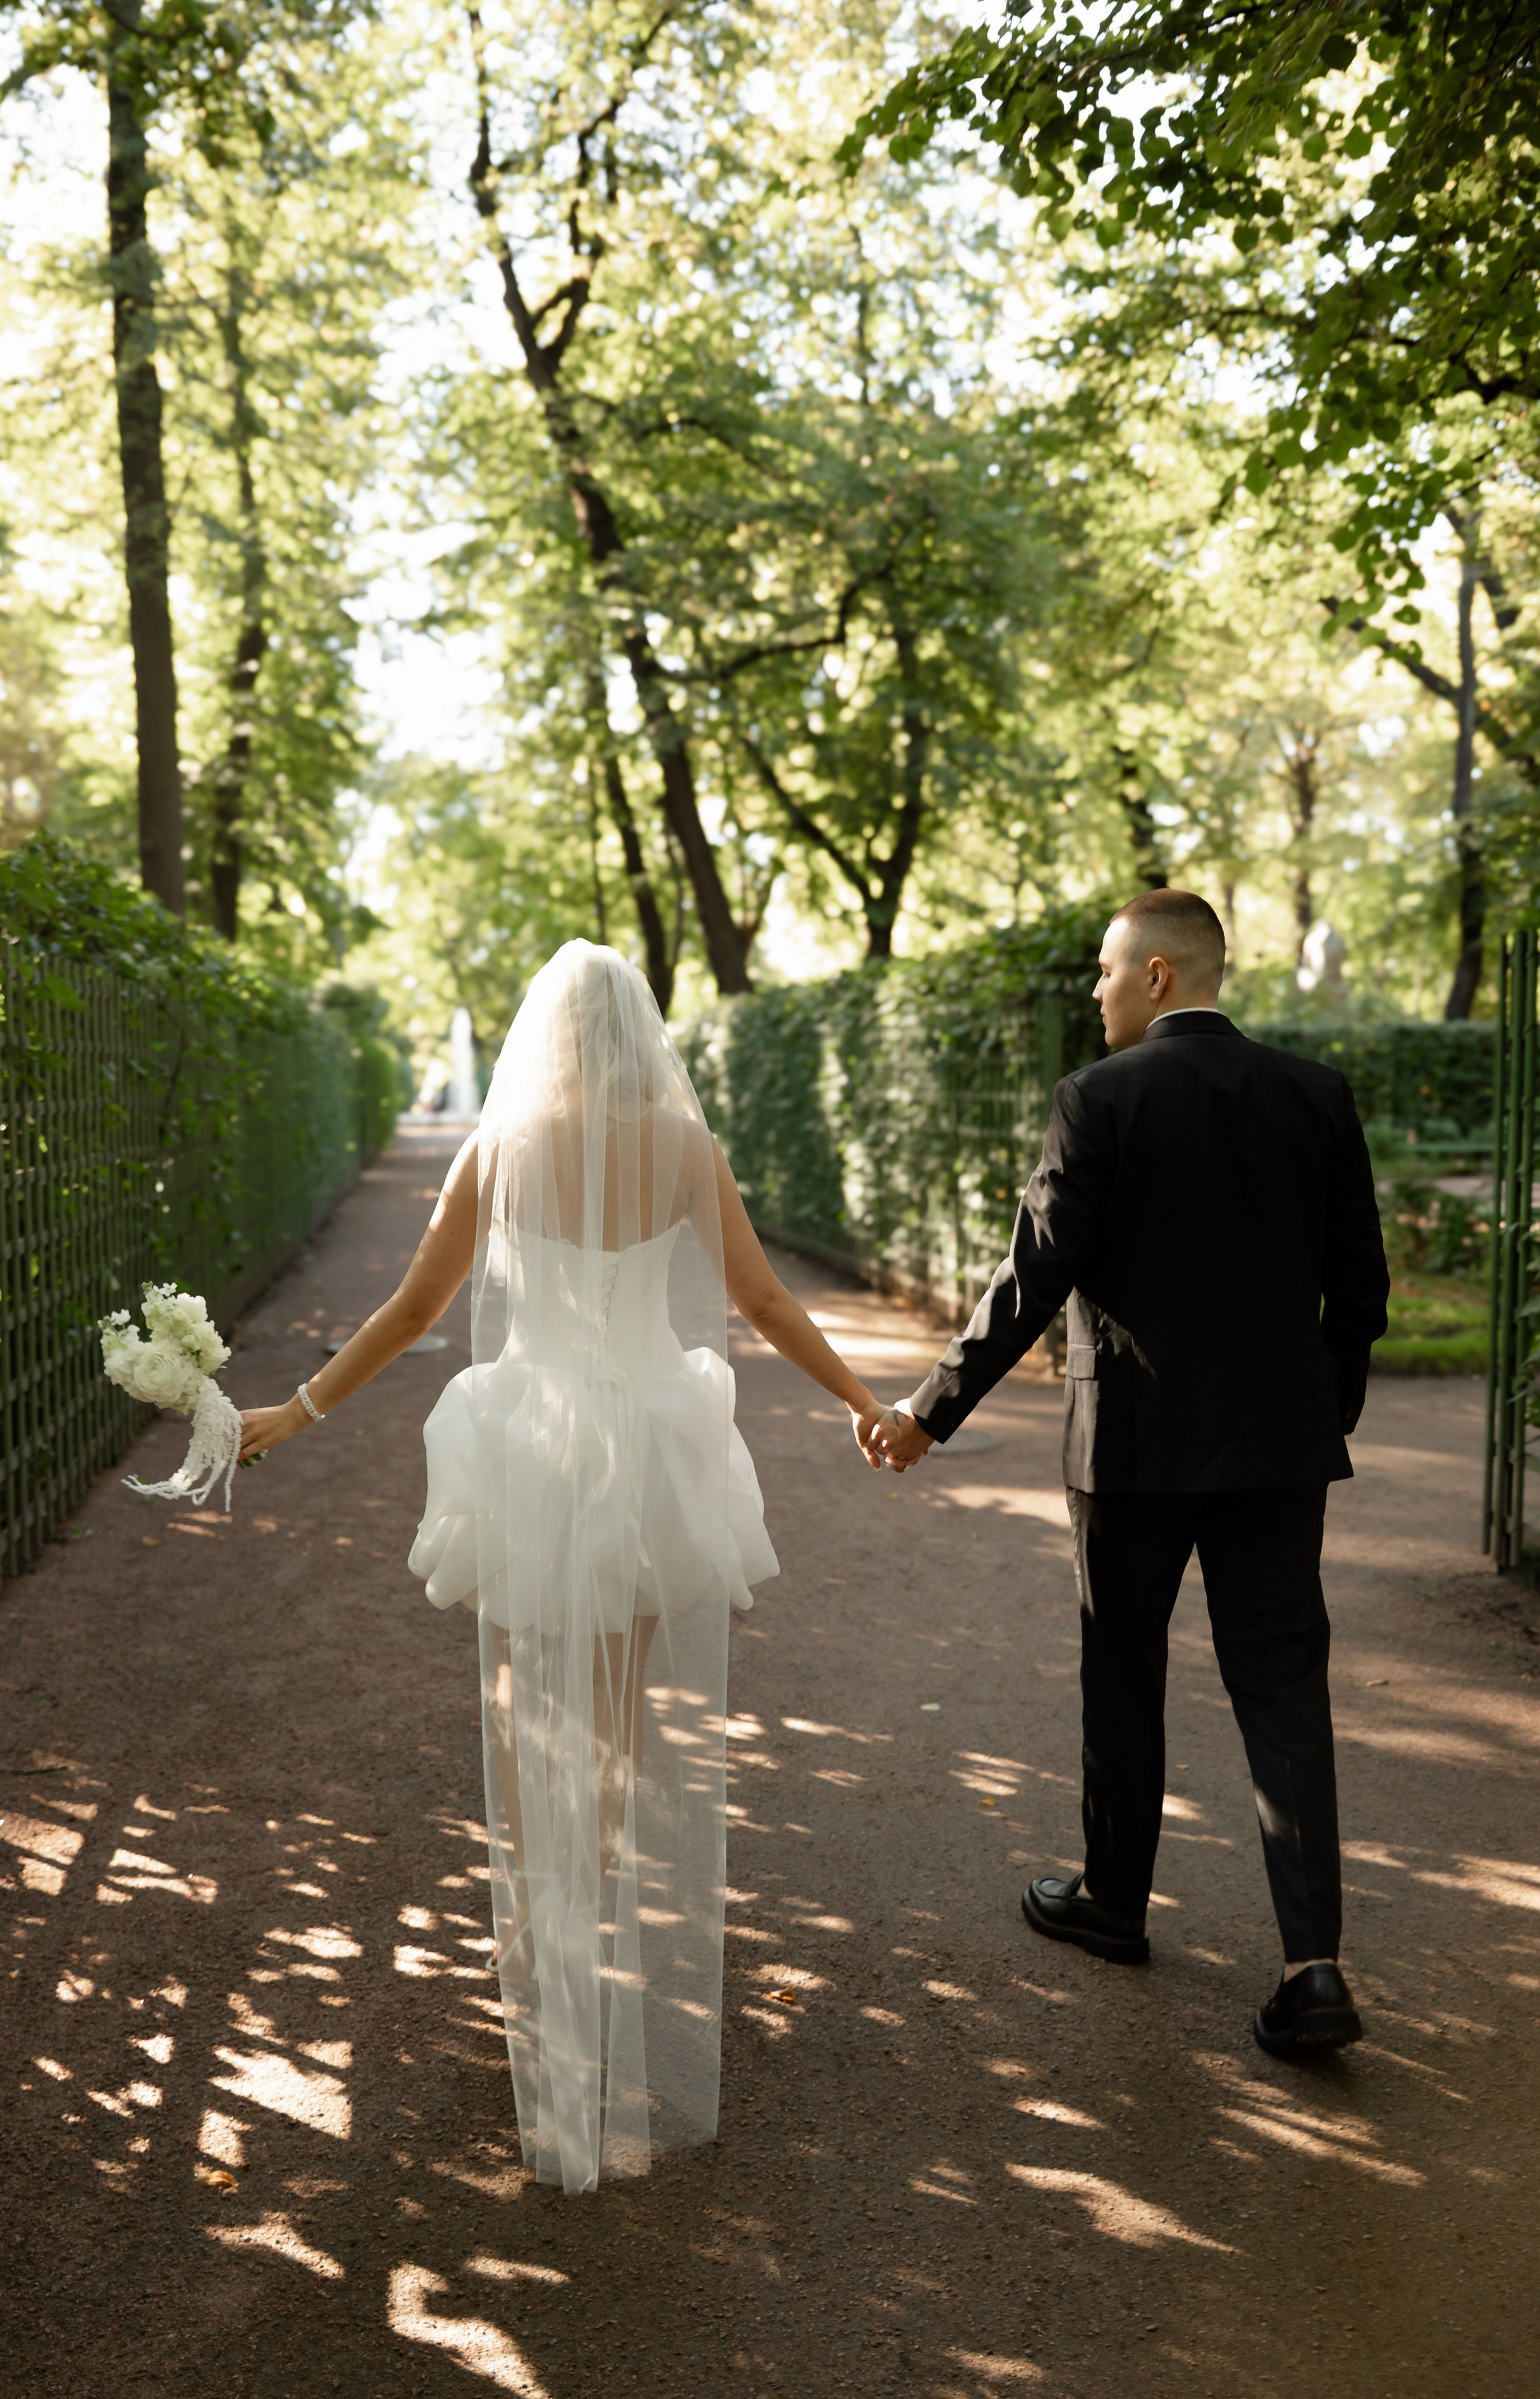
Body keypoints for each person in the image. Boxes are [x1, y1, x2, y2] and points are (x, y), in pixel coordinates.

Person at [238, 942, 884, 2191]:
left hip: (531, 1448)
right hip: (648, 1447)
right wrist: (864, 1399)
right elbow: (758, 1297)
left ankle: (541, 1965)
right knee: (612, 1722)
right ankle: (578, 1949)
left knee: (523, 1705)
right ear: (641, 1031)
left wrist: (297, 1411)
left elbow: (419, 1311)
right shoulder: (683, 1146)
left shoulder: (505, 1144)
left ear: (549, 1032)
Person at [871, 891, 1390, 2057]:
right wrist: (1317, 1416)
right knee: (1283, 1685)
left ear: (1158, 976)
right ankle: (1313, 1966)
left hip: (1134, 1448)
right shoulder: (1315, 1095)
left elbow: (1033, 1281)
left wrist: (927, 1413)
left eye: (1106, 972)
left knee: (1124, 1663)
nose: (1094, 991)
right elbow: (1361, 1288)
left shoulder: (1096, 1101)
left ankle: (1115, 1905)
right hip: (1276, 1450)